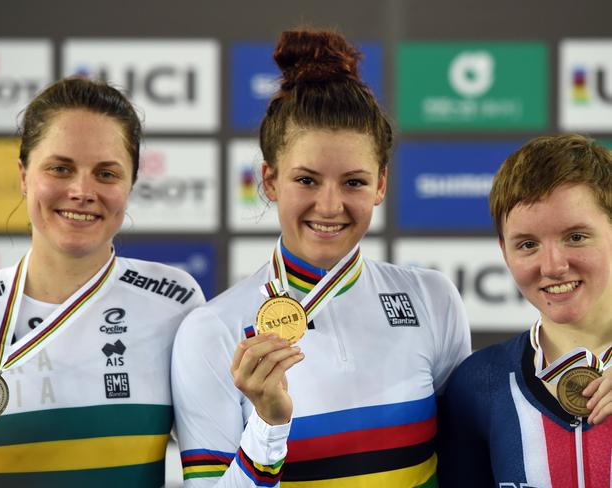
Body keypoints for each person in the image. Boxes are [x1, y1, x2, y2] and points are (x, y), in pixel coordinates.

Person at [171, 29, 471, 487]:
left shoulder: (432, 299)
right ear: (269, 181)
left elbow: (464, 464)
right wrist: (269, 426)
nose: (330, 206)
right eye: (307, 180)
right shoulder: (213, 330)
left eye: (353, 182)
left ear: (381, 185)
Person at [0, 77, 204, 487]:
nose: (81, 191)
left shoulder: (175, 304)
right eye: (60, 168)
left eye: (106, 174)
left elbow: (215, 473)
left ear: (131, 185)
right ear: (23, 175)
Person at [438, 134, 612, 487]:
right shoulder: (477, 385)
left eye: (576, 237)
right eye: (528, 244)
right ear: (504, 251)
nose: (552, 266)